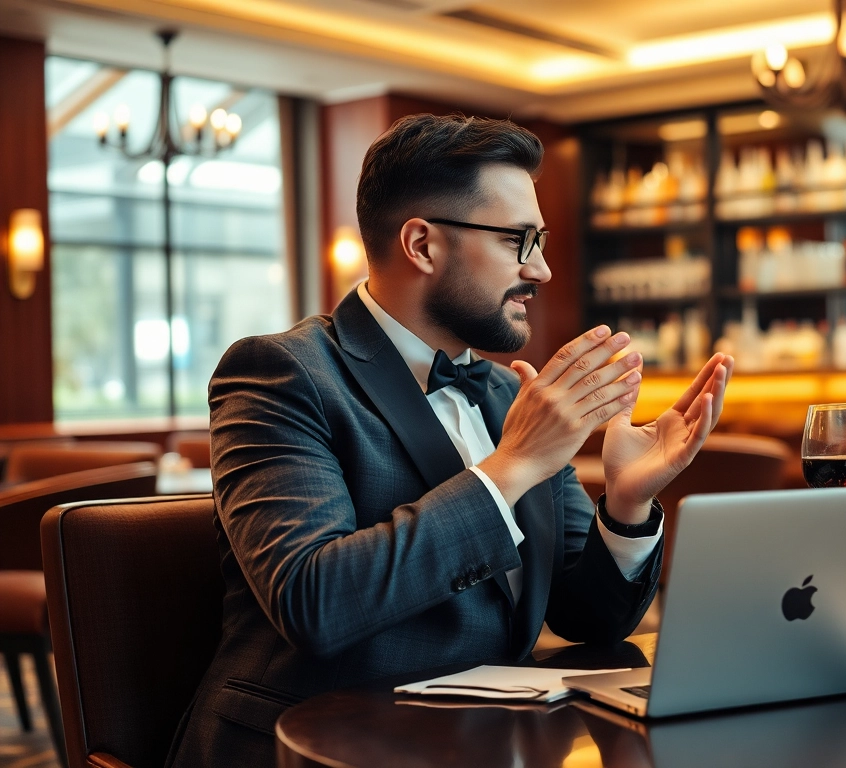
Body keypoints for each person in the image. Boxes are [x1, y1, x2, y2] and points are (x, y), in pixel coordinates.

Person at [167, 114, 732, 767]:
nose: (543, 269)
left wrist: (627, 506)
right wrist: (511, 467)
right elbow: (313, 599)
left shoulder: (505, 394)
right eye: (520, 240)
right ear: (422, 245)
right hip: (313, 749)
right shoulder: (281, 373)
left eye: (541, 241)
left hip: (495, 747)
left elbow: (590, 619)